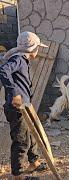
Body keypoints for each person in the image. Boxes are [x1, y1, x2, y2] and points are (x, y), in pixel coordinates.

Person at [0, 32, 48, 180]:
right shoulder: (18, 59)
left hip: (24, 106)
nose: (38, 51)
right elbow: (3, 70)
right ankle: (18, 175)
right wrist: (14, 93)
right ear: (32, 49)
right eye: (37, 48)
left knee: (31, 134)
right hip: (16, 108)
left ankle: (34, 162)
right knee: (21, 140)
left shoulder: (23, 60)